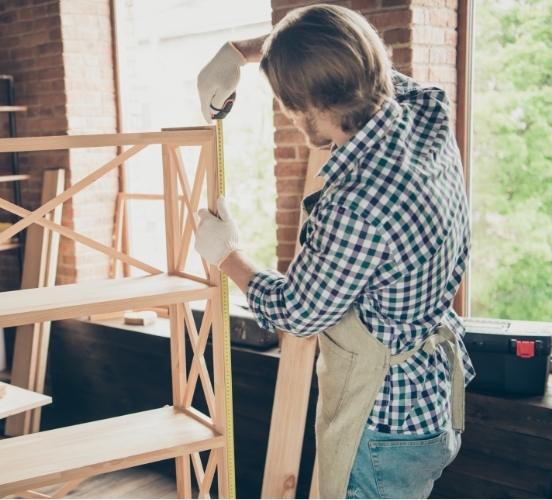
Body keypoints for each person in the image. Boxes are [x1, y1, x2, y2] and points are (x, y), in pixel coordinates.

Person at [193, 5, 474, 499]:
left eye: (285, 100)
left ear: (304, 107)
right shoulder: (425, 108)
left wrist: (228, 254)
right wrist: (243, 53)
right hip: (431, 403)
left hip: (383, 426)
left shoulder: (357, 202)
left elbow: (298, 312)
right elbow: (350, 51)